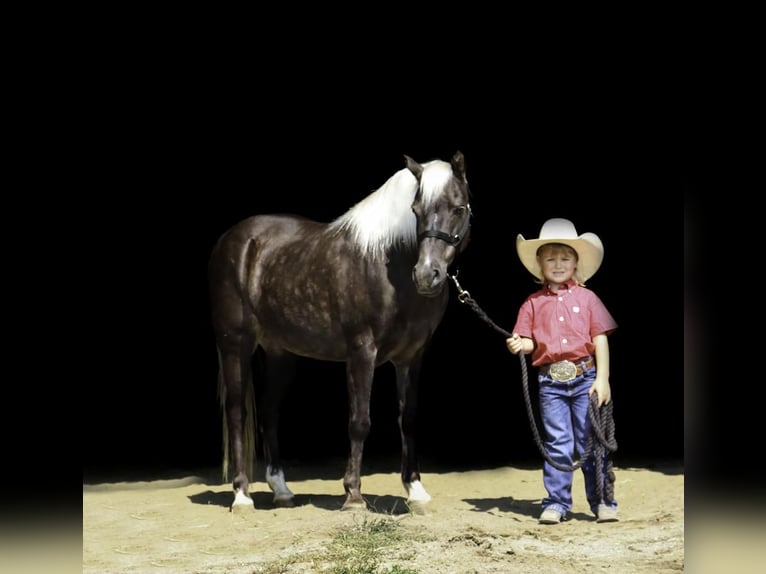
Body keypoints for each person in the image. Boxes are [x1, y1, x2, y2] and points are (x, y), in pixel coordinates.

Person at [505, 217, 619, 525]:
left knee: (590, 442)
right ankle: (556, 502)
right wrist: (520, 345)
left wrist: (603, 379)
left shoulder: (588, 298)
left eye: (565, 258)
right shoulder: (532, 303)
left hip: (585, 379)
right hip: (551, 381)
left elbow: (600, 340)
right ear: (539, 264)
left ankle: (602, 501)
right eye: (551, 258)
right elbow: (529, 340)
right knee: (558, 442)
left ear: (575, 262)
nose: (558, 264)